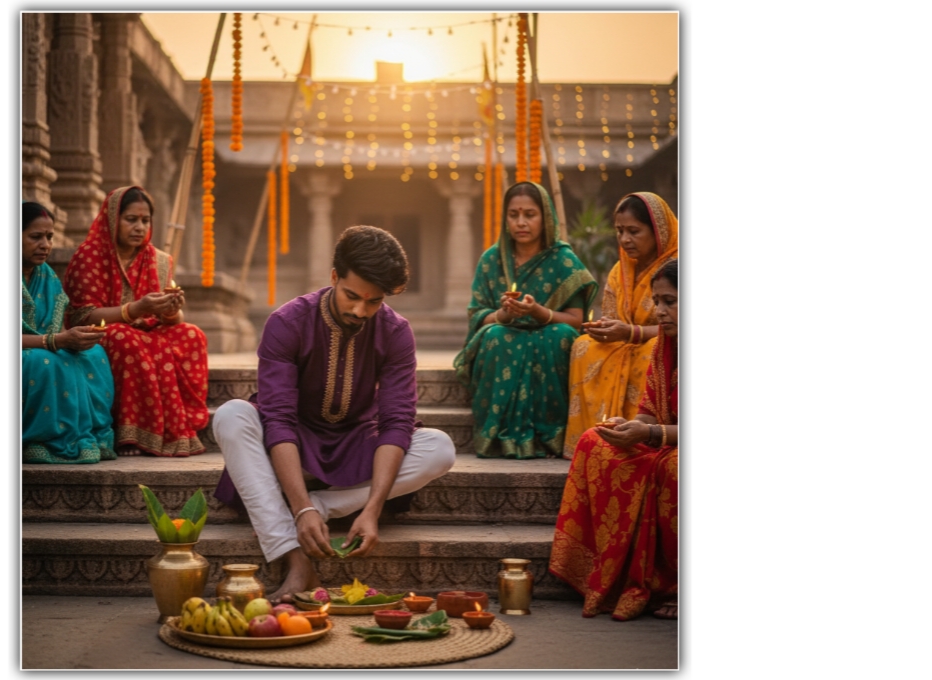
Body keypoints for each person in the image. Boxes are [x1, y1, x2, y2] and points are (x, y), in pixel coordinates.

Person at [213, 225, 456, 600]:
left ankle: (323, 507)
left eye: (374, 302)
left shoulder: (395, 332)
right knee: (231, 416)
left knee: (439, 448)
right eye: (352, 296)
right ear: (333, 277)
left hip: (356, 443)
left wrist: (371, 509)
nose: (360, 311)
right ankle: (295, 557)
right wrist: (300, 509)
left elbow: (396, 422)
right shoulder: (287, 322)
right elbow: (278, 420)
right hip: (291, 445)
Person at [549, 258, 678, 621]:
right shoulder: (665, 347)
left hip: (676, 451)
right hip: (664, 440)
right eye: (657, 301)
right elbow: (649, 410)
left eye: (670, 302)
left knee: (673, 468)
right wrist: (628, 426)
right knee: (595, 441)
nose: (659, 311)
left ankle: (676, 585)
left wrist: (650, 433)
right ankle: (602, 572)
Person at [62, 186, 209, 456]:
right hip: (106, 332)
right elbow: (82, 316)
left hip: (150, 331)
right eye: (131, 219)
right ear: (112, 219)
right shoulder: (90, 256)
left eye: (145, 220)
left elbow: (171, 320)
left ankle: (181, 424)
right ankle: (132, 433)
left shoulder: (158, 259)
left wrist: (171, 309)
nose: (139, 227)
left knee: (192, 334)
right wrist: (134, 309)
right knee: (126, 338)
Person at [453, 182, 597, 458]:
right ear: (505, 218)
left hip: (550, 329)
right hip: (505, 330)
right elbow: (478, 316)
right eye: (513, 214)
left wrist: (539, 312)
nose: (521, 222)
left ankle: (552, 434)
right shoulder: (491, 260)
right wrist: (503, 314)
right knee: (495, 336)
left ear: (546, 217)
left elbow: (576, 321)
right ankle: (500, 435)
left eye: (529, 214)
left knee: (561, 336)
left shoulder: (564, 260)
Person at [562, 192, 678, 458]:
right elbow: (615, 316)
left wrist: (632, 332)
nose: (625, 239)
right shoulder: (620, 270)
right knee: (583, 347)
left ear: (658, 231)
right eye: (620, 231)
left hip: (661, 342)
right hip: (625, 341)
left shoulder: (678, 267)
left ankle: (644, 435)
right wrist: (604, 329)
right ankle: (604, 432)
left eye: (634, 231)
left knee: (651, 350)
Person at [21, 201, 116, 464]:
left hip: (44, 346)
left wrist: (76, 338)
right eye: (35, 237)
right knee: (44, 362)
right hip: (26, 352)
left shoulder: (46, 275)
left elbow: (56, 328)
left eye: (49, 237)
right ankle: (38, 439)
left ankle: (86, 436)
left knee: (93, 355)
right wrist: (56, 341)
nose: (45, 245)